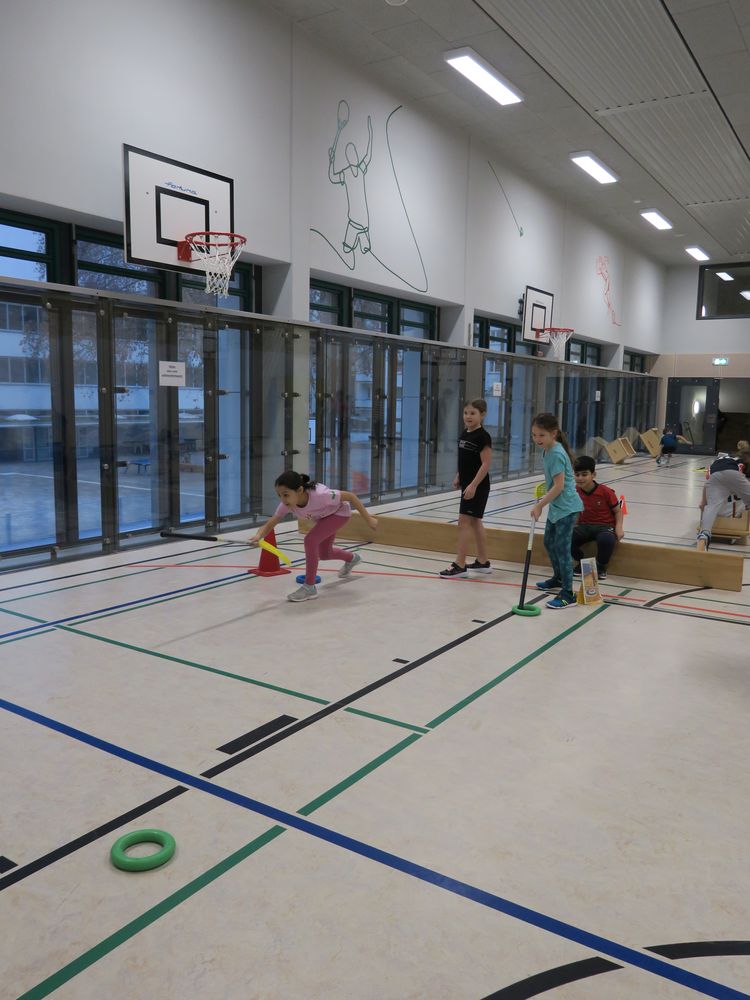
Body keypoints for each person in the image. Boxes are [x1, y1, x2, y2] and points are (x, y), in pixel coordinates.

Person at [250, 471, 377, 602]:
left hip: (339, 513)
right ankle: (353, 558)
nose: (283, 499)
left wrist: (369, 520)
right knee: (325, 554)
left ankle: (309, 587)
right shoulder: (286, 504)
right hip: (323, 518)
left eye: (286, 495)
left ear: (299, 490)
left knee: (310, 540)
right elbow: (270, 524)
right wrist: (258, 536)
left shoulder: (321, 495)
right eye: (279, 495)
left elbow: (351, 496)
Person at [530, 412, 583, 609]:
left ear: (553, 433)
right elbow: (554, 482)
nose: (537, 439)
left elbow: (560, 486)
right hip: (556, 507)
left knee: (562, 548)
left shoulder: (557, 454)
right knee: (548, 542)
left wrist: (539, 505)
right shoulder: (548, 450)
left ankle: (568, 594)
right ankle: (559, 578)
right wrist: (545, 493)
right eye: (534, 435)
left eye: (541, 435)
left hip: (567, 508)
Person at [439, 398, 493, 578]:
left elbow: (485, 464)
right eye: (465, 413)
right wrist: (459, 476)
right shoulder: (464, 434)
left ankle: (460, 565)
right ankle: (483, 562)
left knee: (463, 523)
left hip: (477, 487)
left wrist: (473, 485)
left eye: (473, 413)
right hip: (468, 485)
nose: (468, 416)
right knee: (475, 522)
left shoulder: (483, 436)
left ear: (482, 415)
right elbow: (465, 460)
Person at [571, 456, 623, 581]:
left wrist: (619, 528)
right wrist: (572, 525)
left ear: (593, 475)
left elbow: (618, 511)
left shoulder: (606, 492)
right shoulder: (574, 491)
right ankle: (583, 563)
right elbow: (575, 510)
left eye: (584, 474)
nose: (580, 478)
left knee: (606, 541)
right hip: (584, 526)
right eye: (577, 475)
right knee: (564, 538)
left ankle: (600, 566)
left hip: (605, 526)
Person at [697, 451, 750, 550]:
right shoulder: (741, 461)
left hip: (714, 475)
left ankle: (704, 535)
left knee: (712, 506)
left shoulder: (719, 460)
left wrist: (703, 501)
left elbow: (706, 484)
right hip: (732, 473)